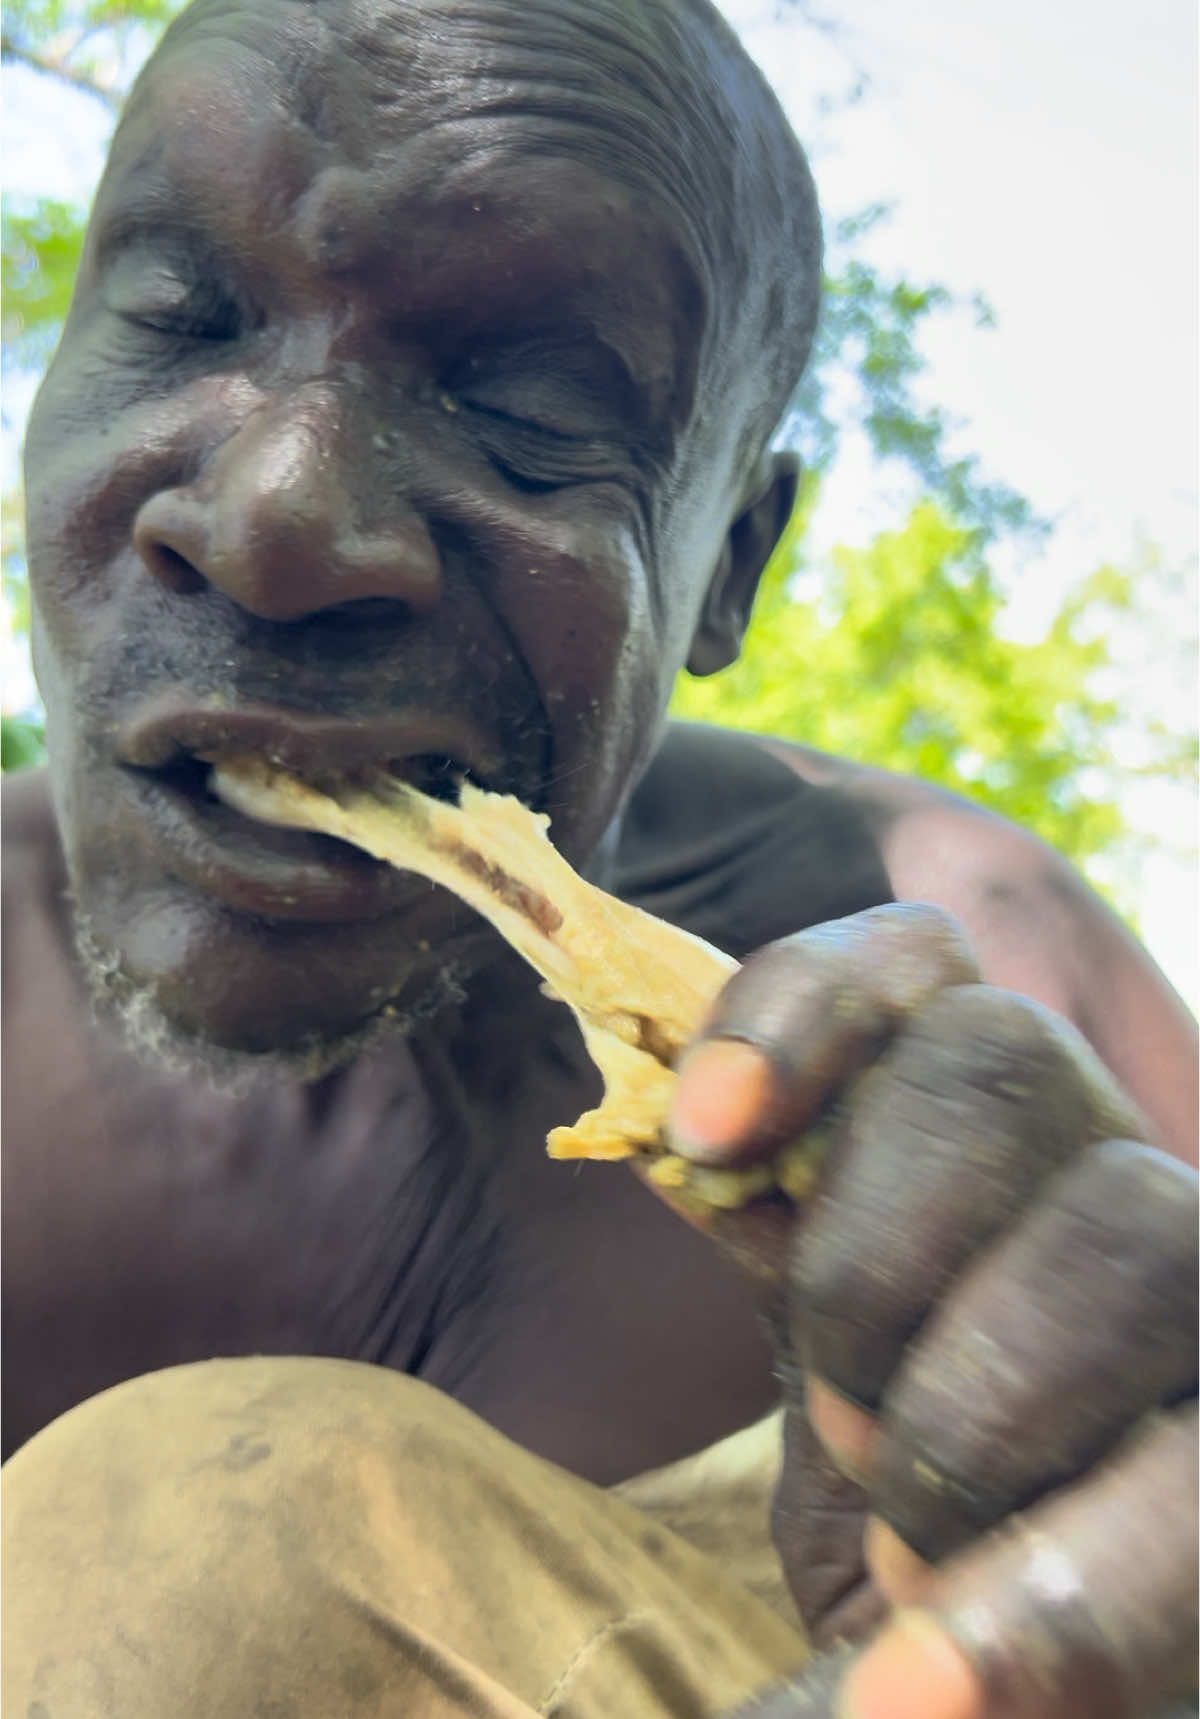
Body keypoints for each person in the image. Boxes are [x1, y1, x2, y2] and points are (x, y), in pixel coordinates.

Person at [3, 0, 1196, 1713]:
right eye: (181, 320)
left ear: (728, 565)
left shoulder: (986, 972)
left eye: (532, 408)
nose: (275, 518)